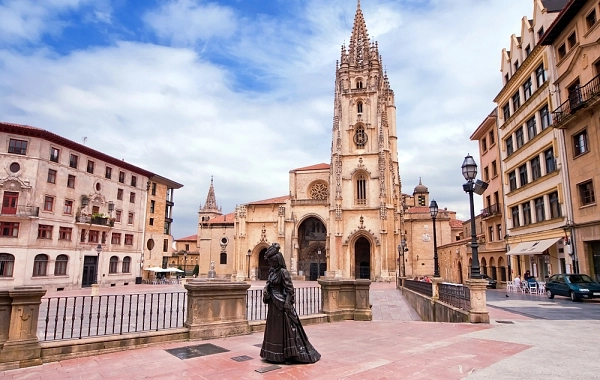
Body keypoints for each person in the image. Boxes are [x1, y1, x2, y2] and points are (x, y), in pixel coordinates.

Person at [260, 243, 321, 364]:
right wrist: (266, 291)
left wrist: (287, 303)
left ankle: (287, 354)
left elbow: (290, 289)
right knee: (275, 330)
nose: (270, 263)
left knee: (286, 330)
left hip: (282, 305)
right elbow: (269, 284)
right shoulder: (272, 272)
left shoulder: (283, 272)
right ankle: (273, 354)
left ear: (277, 260)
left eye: (272, 261)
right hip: (273, 305)